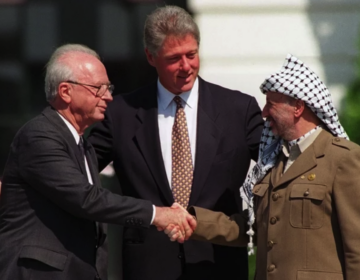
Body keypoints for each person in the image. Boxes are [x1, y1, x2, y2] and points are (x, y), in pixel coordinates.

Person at [87, 5, 263, 280]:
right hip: (149, 266)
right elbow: (77, 170)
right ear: (150, 56)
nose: (186, 66)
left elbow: (280, 167)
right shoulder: (121, 113)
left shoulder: (238, 110)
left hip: (219, 263)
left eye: (191, 55)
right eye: (173, 58)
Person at [0, 44, 196, 280]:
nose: (108, 96)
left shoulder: (83, 144)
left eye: (109, 87)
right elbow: (87, 200)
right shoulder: (39, 136)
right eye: (98, 88)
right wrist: (158, 214)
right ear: (65, 91)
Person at [168, 54, 360, 279]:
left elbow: (356, 246)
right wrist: (193, 220)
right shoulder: (274, 161)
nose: (264, 113)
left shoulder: (343, 159)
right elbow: (252, 226)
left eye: (271, 104)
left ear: (297, 107)